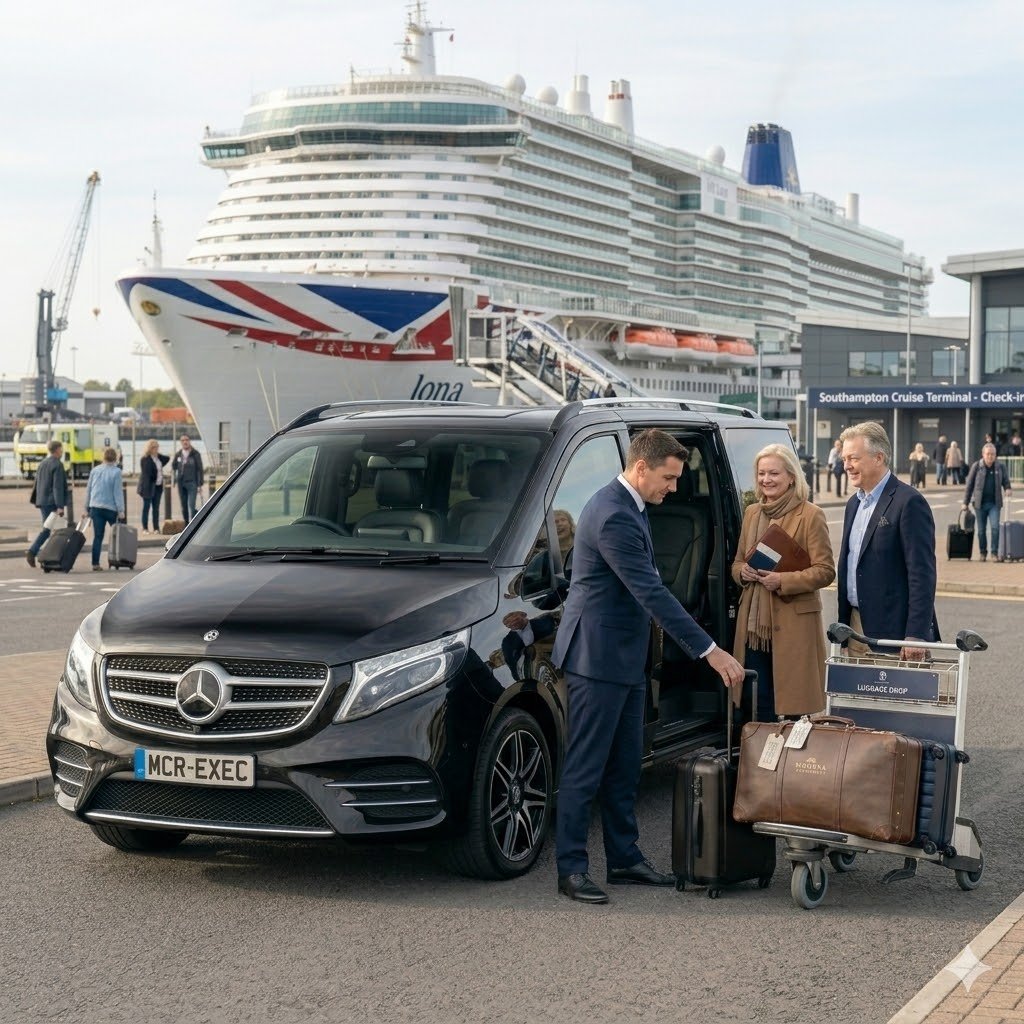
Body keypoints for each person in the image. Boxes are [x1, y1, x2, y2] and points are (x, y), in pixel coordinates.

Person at [550, 428, 744, 904]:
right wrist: (709, 650)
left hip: (624, 658)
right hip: (596, 659)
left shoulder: (630, 507)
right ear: (641, 468)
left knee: (624, 766)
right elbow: (651, 592)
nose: (673, 488)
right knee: (584, 767)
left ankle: (624, 859)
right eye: (668, 478)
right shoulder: (614, 515)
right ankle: (571, 868)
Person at [731, 444, 836, 720]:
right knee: (756, 702)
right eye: (762, 473)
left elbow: (825, 571)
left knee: (792, 712)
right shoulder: (752, 512)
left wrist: (782, 580)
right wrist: (742, 573)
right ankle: (758, 760)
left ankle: (788, 763)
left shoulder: (811, 515)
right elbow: (738, 562)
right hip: (754, 628)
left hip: (793, 624)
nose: (766, 479)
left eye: (774, 473)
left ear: (791, 476)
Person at [837, 422, 939, 661]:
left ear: (878, 458)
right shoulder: (854, 504)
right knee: (855, 698)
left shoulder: (909, 502)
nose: (847, 466)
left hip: (895, 633)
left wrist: (915, 634)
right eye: (844, 459)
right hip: (855, 626)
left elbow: (922, 574)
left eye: (853, 458)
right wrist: (843, 628)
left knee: (893, 698)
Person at [962, 442, 1012, 562]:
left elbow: (1005, 480)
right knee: (981, 530)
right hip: (979, 504)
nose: (990, 456)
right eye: (988, 454)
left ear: (995, 455)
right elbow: (969, 485)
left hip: (994, 503)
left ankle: (994, 553)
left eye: (993, 454)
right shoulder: (976, 466)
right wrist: (965, 502)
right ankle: (983, 553)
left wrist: (1007, 488)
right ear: (983, 454)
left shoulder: (1000, 467)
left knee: (995, 528)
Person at [26, 439, 68, 568]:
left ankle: (42, 554)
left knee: (47, 528)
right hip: (52, 502)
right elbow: (57, 487)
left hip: (42, 500)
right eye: (61, 449)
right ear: (57, 450)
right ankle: (34, 552)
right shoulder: (57, 464)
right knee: (47, 529)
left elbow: (37, 482)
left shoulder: (43, 463)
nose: (62, 451)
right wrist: (60, 506)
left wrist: (37, 499)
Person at [84, 447, 125, 572]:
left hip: (95, 507)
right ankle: (117, 559)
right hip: (110, 508)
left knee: (98, 536)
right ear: (115, 458)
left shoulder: (95, 470)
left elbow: (89, 490)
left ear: (103, 457)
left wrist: (86, 508)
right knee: (116, 536)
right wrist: (121, 510)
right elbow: (117, 492)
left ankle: (95, 563)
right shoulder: (117, 472)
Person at [137, 439, 169, 535]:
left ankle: (156, 528)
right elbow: (148, 473)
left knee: (156, 508)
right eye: (154, 447)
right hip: (148, 487)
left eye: (157, 447)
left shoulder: (158, 458)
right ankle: (145, 528)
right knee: (146, 508)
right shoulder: (145, 459)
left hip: (158, 487)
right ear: (150, 448)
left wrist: (158, 455)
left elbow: (167, 458)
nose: (156, 449)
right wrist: (157, 475)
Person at [172, 434, 204, 523]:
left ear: (189, 441)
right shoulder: (178, 454)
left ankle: (193, 524)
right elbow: (173, 465)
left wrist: (200, 484)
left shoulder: (195, 453)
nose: (185, 442)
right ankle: (186, 524)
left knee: (191, 505)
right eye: (182, 440)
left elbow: (200, 469)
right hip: (181, 482)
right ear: (181, 442)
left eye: (186, 440)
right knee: (183, 506)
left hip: (192, 483)